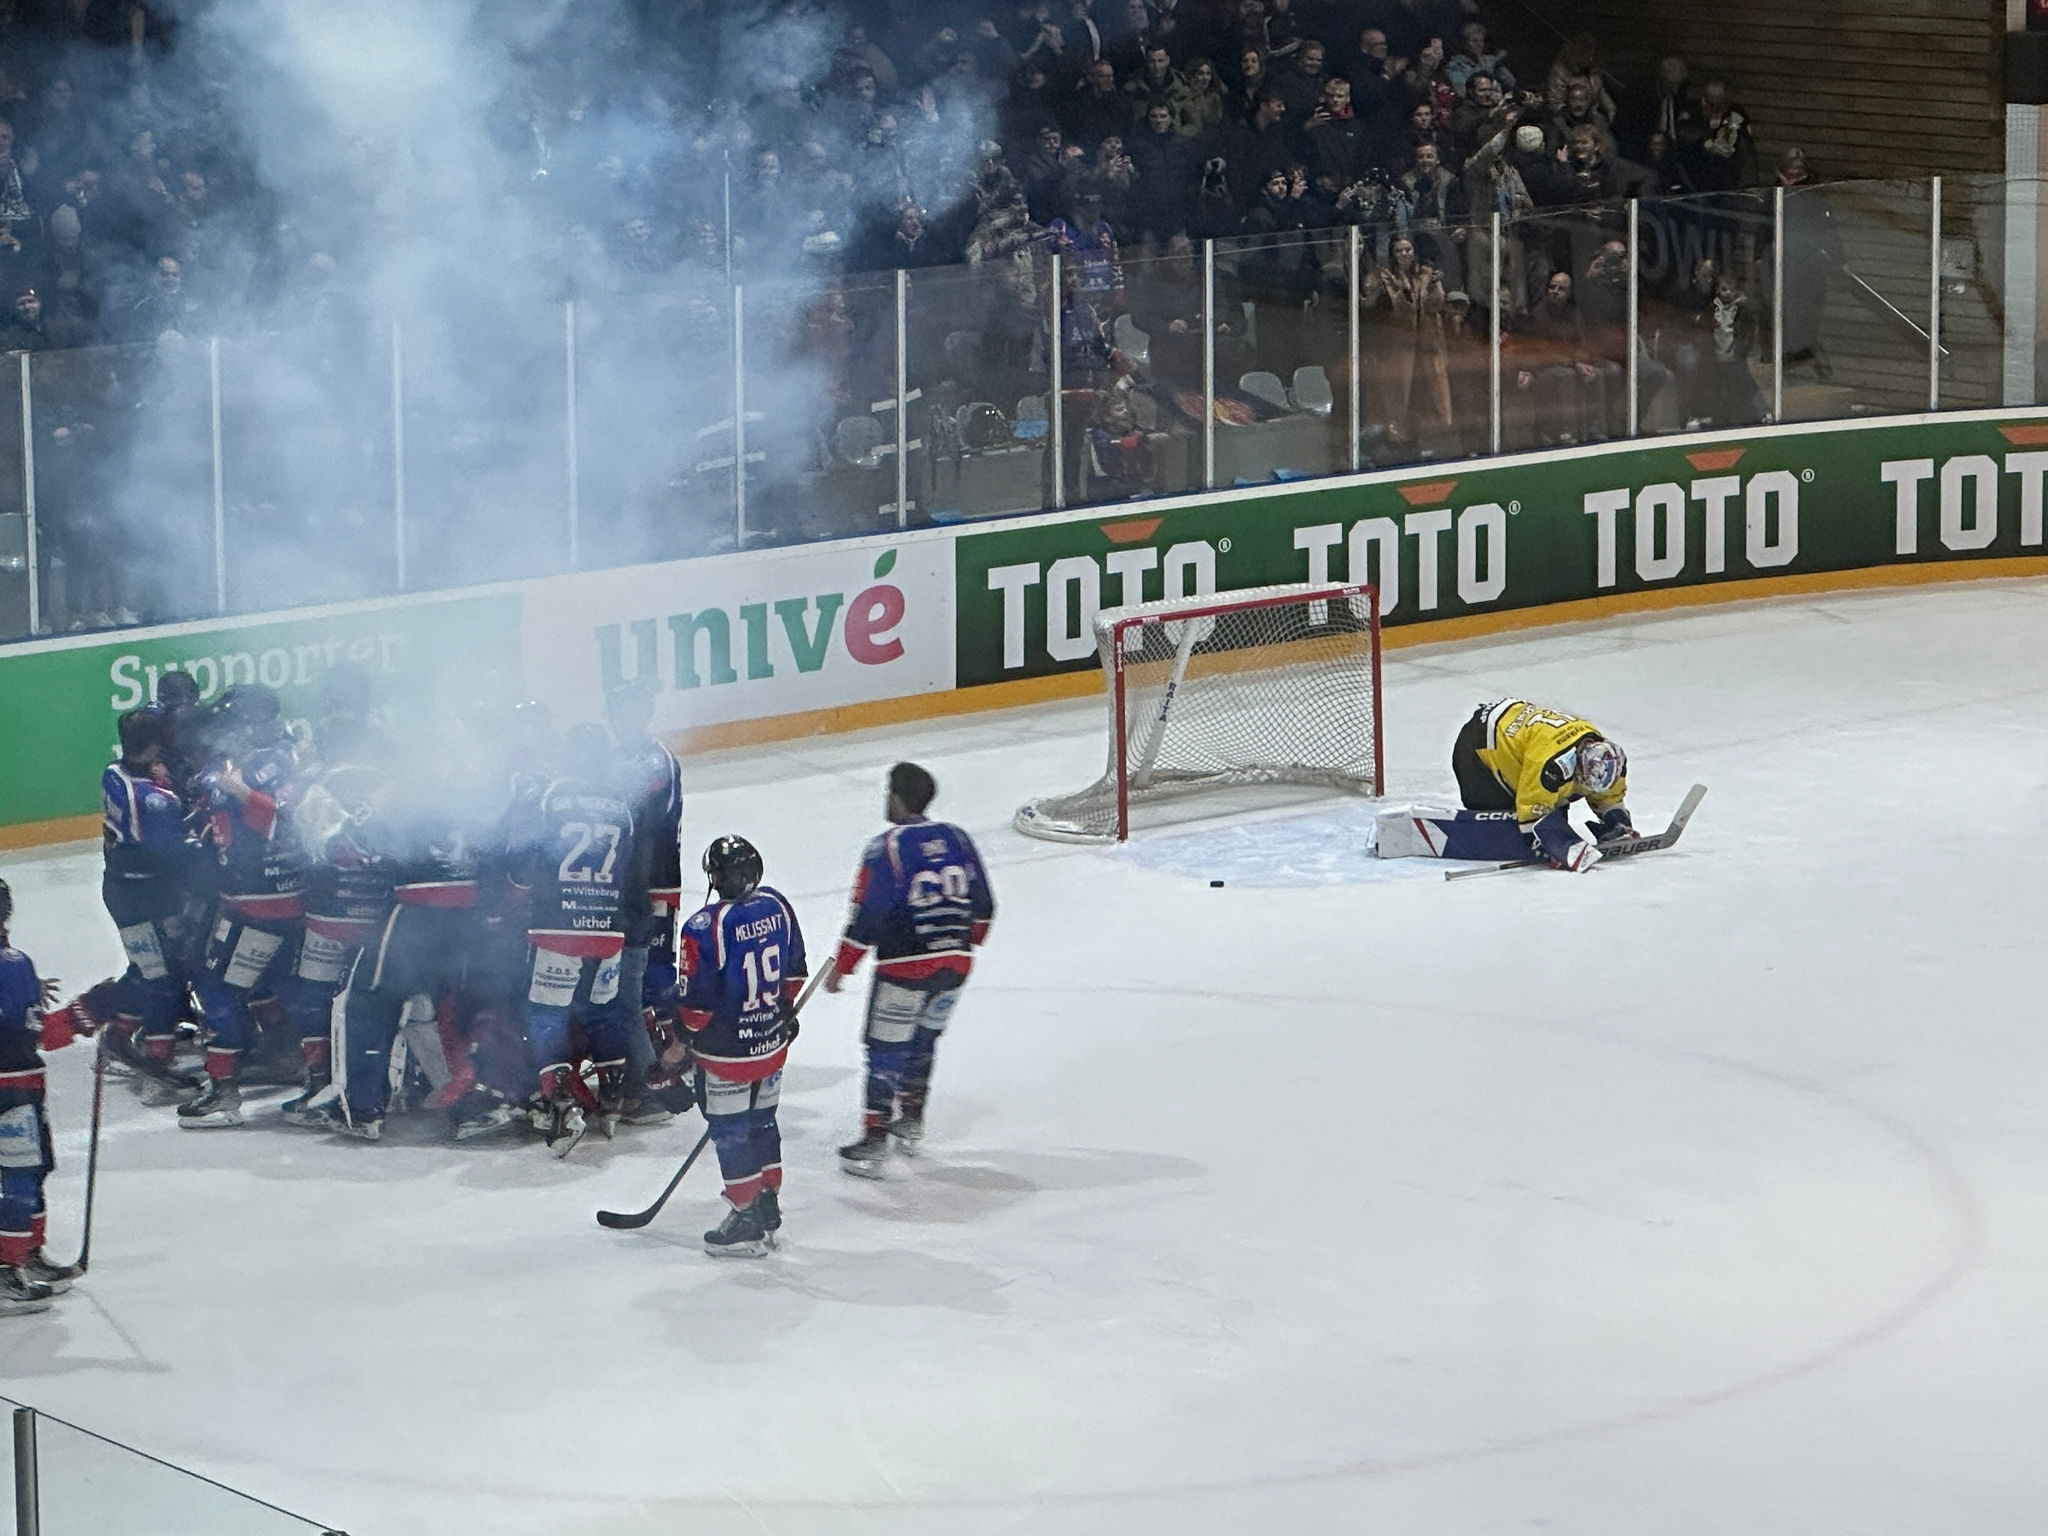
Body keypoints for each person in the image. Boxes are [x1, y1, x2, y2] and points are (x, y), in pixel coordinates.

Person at [828, 763, 995, 1174]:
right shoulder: (958, 838)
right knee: (924, 1041)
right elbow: (985, 906)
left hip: (904, 966)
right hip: (956, 964)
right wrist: (959, 943)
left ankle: (875, 1137)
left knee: (885, 1050)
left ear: (898, 798)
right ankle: (912, 1120)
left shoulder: (884, 847)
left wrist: (843, 966)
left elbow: (869, 914)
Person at [179, 685, 305, 1129]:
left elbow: (285, 821)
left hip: (264, 899)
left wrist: (237, 790)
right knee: (277, 984)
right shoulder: (236, 759)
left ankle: (224, 1091)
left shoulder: (278, 760)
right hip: (248, 896)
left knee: (217, 986)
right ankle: (293, 1058)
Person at [676, 836, 808, 1257]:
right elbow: (794, 974)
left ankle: (746, 1213)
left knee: (731, 1132)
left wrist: (679, 1042)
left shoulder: (704, 925)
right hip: (770, 1044)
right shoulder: (779, 906)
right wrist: (782, 1012)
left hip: (725, 1053)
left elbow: (696, 1005)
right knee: (763, 1122)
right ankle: (767, 1200)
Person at [508, 723, 637, 1153]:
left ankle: (560, 1099)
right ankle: (614, 1094)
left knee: (546, 1011)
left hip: (557, 926)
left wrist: (519, 896)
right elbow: (631, 867)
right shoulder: (621, 803)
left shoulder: (550, 795)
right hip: (608, 927)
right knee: (603, 1011)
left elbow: (524, 859)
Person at [97, 705, 195, 1097]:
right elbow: (174, 852)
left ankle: (121, 1035)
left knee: (151, 967)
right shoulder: (154, 800)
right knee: (163, 977)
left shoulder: (114, 773)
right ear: (157, 743)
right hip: (150, 897)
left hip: (121, 889)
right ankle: (158, 1059)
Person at [0, 878, 87, 1316]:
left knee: (28, 1172)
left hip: (19, 1084)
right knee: (20, 1176)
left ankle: (26, 1254)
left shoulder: (16, 969)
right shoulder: (13, 965)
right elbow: (30, 1035)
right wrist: (83, 1016)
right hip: (13, 1088)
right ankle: (6, 1269)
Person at [1451, 700, 1633, 871]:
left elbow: (1609, 793)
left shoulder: (1607, 757)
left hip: (1518, 724)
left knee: (1558, 801)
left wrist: (1617, 822)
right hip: (1477, 742)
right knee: (1519, 822)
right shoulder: (1551, 764)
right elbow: (1532, 809)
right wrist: (1558, 845)